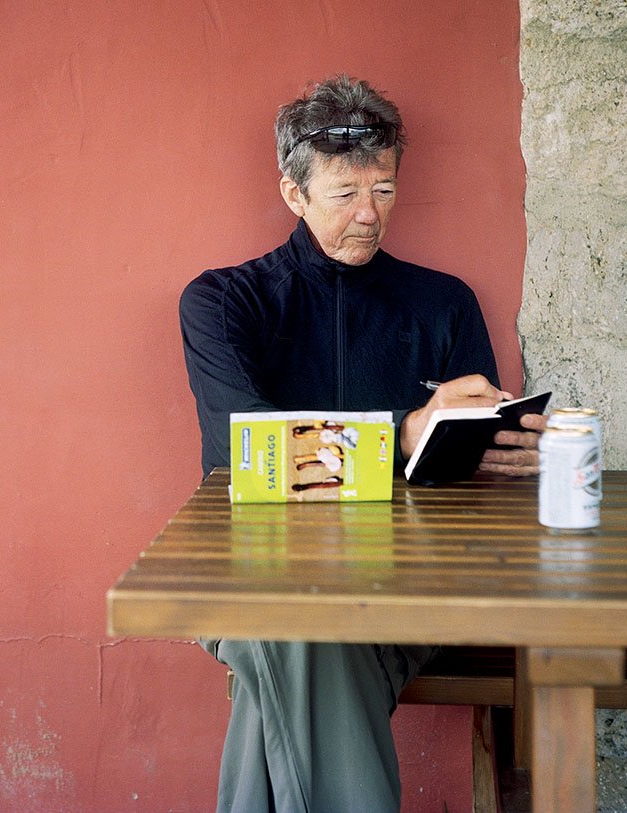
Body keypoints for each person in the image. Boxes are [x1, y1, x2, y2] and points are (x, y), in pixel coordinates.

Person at [179, 74, 545, 813]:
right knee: (295, 619)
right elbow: (251, 455)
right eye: (345, 193)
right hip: (252, 574)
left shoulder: (444, 302)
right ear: (294, 194)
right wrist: (407, 431)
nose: (370, 214)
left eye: (384, 189)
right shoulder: (222, 302)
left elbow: (468, 478)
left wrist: (504, 452)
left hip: (404, 588)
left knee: (288, 639)